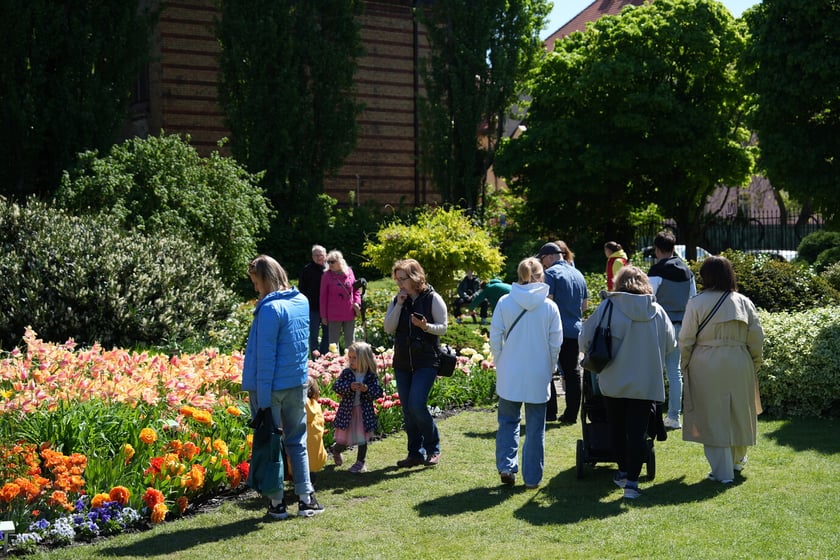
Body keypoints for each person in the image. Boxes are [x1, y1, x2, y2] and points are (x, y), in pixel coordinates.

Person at [579, 266, 676, 499]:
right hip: (646, 380)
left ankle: (622, 471)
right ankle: (632, 482)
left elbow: (585, 339)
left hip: (615, 378)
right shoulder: (657, 310)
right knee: (638, 432)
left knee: (617, 428)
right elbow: (671, 343)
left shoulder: (609, 306)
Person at [242, 254, 324, 519]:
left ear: (265, 279)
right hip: (296, 382)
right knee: (296, 441)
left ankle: (277, 503)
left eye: (256, 283)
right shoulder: (301, 301)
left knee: (271, 443)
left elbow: (266, 359)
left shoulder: (269, 309)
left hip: (271, 388)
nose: (256, 289)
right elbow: (302, 347)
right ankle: (306, 497)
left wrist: (263, 401)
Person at [680, 256, 764, 485]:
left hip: (706, 362)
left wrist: (684, 363)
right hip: (740, 360)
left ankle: (722, 471)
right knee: (739, 412)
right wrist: (753, 362)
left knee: (712, 415)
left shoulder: (696, 302)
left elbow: (686, 338)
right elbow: (756, 338)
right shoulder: (744, 302)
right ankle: (737, 461)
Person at [490, 258, 562, 488]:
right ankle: (532, 478)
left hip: (510, 370)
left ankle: (506, 466)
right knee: (534, 428)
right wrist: (550, 367)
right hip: (537, 372)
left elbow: (495, 339)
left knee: (508, 422)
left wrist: (501, 362)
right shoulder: (549, 306)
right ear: (542, 275)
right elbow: (555, 344)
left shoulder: (505, 302)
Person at [383, 258, 447, 467]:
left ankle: (432, 448)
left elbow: (443, 327)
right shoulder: (398, 300)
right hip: (402, 361)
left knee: (417, 405)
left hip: (426, 360)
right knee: (408, 410)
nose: (399, 284)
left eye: (403, 279)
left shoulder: (432, 298)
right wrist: (399, 305)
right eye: (397, 279)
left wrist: (426, 327)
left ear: (415, 277)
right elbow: (388, 328)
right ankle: (415, 453)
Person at [647, 231, 696, 430]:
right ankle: (674, 416)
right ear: (674, 248)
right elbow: (693, 299)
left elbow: (649, 300)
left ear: (657, 249)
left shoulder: (656, 271)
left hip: (661, 325)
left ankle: (653, 415)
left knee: (654, 371)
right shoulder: (687, 271)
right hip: (682, 325)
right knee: (675, 372)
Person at [537, 242, 589, 424]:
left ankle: (550, 412)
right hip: (575, 329)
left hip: (554, 330)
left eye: (543, 260)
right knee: (573, 371)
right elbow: (585, 306)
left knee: (548, 369)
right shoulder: (578, 274)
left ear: (550, 257)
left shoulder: (550, 274)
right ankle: (571, 414)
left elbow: (547, 302)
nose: (542, 265)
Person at [329, 341, 385, 473]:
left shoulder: (370, 375)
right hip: (347, 411)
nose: (352, 361)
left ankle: (361, 462)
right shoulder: (347, 373)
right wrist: (349, 387)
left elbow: (378, 392)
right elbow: (336, 386)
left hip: (363, 411)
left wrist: (366, 389)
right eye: (350, 358)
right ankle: (336, 450)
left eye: (355, 358)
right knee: (343, 439)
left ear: (364, 359)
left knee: (362, 438)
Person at [319, 250, 361, 352]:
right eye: (328, 262)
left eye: (332, 262)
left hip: (349, 312)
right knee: (333, 344)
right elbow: (323, 297)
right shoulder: (326, 275)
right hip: (333, 314)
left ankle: (352, 364)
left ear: (340, 261)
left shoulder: (350, 272)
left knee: (350, 342)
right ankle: (334, 365)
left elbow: (356, 290)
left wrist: (357, 302)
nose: (330, 264)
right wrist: (323, 316)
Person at [299, 245, 328, 357]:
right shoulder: (307, 270)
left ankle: (325, 356)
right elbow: (302, 289)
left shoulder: (330, 270)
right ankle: (315, 357)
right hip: (312, 307)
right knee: (313, 333)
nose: (318, 257)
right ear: (312, 257)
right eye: (316, 255)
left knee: (327, 333)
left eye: (321, 255)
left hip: (327, 308)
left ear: (325, 255)